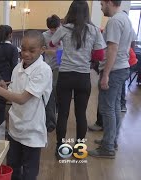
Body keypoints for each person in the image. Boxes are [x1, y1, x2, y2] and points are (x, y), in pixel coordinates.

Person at [0, 30, 52, 180]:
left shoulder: (43, 70)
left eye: (32, 50)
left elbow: (22, 99)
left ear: (42, 49)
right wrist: (3, 88)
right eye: (23, 49)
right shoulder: (17, 68)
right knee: (13, 166)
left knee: (29, 172)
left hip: (32, 129)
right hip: (15, 128)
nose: (26, 54)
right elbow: (12, 97)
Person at [50, 0, 106, 158]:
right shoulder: (94, 30)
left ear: (71, 11)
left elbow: (51, 43)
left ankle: (60, 149)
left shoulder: (63, 29)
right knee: (81, 114)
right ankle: (79, 150)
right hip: (83, 77)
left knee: (63, 113)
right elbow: (100, 55)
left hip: (65, 76)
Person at [89, 0, 135, 159]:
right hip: (122, 68)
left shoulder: (115, 21)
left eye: (102, 4)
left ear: (109, 2)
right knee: (114, 107)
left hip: (114, 70)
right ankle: (111, 141)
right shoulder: (125, 18)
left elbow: (113, 48)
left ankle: (107, 148)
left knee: (107, 108)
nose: (101, 7)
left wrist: (106, 74)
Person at [0, 25, 19, 127]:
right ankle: (7, 126)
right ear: (10, 35)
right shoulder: (13, 48)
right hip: (9, 80)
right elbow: (14, 66)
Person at [42, 14, 62, 132]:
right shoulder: (45, 35)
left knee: (56, 90)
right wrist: (52, 52)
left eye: (55, 28)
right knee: (50, 91)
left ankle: (55, 113)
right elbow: (43, 50)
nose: (53, 31)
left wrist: (51, 52)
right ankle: (50, 118)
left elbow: (63, 54)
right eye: (51, 28)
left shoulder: (63, 33)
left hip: (60, 67)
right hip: (48, 66)